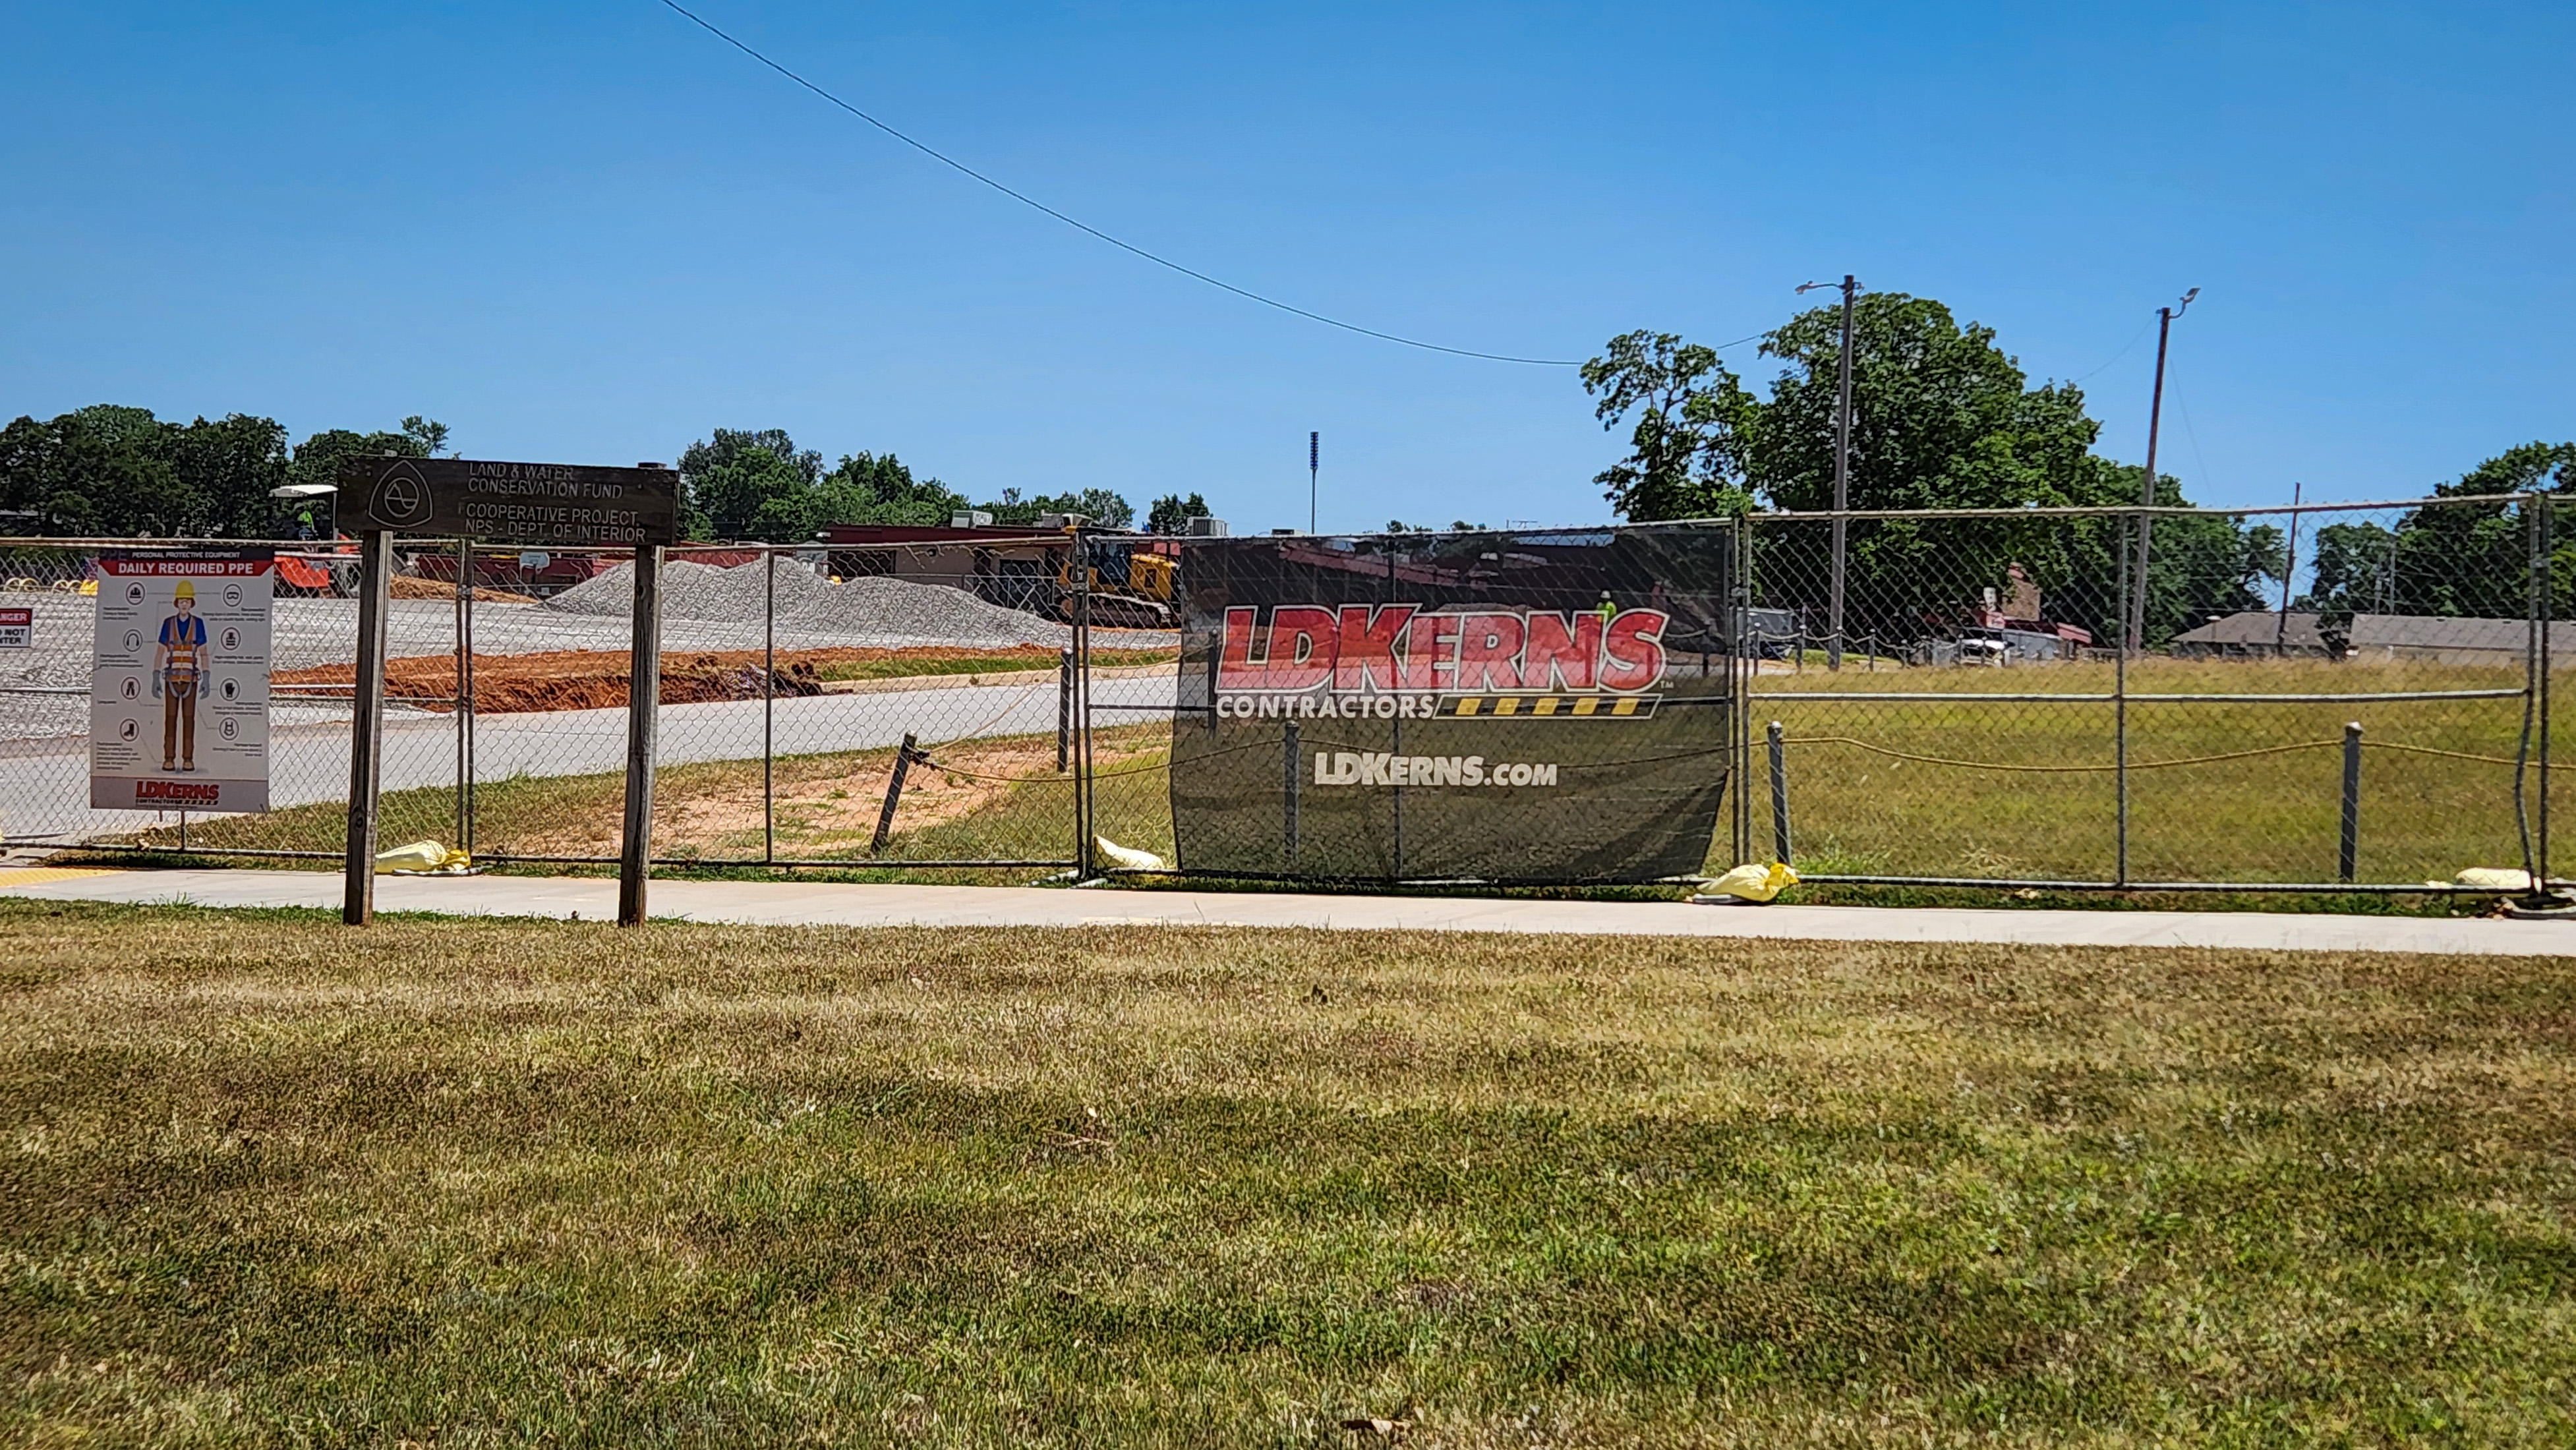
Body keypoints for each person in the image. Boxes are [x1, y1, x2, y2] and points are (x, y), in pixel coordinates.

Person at [156, 579, 206, 772]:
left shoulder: (198, 624)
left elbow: (204, 652)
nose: (184, 604)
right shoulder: (168, 624)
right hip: (171, 679)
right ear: (176, 603)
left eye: (187, 600)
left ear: (192, 603)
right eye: (181, 600)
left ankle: (188, 759)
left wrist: (207, 676)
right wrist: (155, 675)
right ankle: (169, 758)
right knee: (170, 719)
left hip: (191, 679)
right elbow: (160, 651)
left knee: (189, 719)